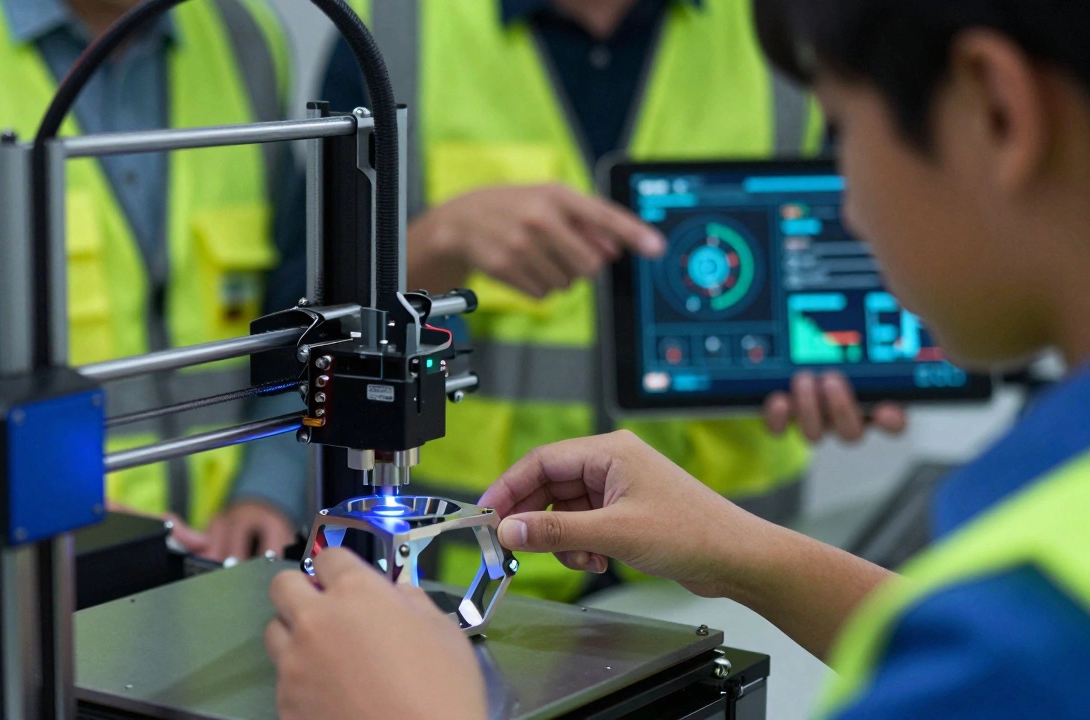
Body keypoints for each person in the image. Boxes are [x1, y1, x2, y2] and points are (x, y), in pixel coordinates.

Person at [266, 0, 1090, 716]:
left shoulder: (1015, 630)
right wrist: (744, 553)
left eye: (843, 126)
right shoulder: (1032, 570)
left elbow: (994, 657)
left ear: (996, 111)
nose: (844, 203)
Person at [311, 0, 907, 600]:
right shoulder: (387, 26)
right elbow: (312, 315)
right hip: (479, 582)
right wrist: (440, 238)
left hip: (721, 579)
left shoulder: (788, 25)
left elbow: (852, 249)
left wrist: (844, 355)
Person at [0, 0, 306, 560]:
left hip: (214, 581)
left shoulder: (244, 36)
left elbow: (295, 321)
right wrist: (40, 500)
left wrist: (269, 484)